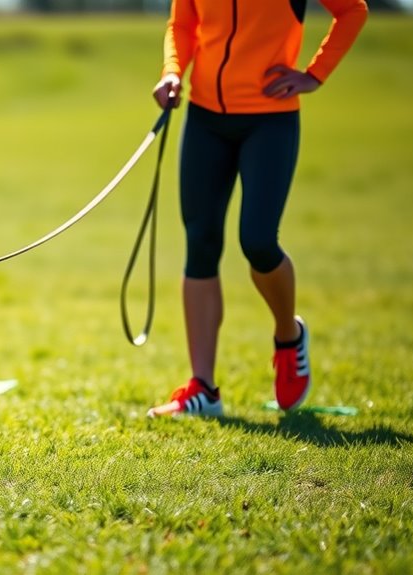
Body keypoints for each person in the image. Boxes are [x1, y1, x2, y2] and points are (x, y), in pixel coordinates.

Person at [146, 0, 368, 417]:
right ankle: (204, 390)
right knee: (201, 242)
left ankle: (289, 336)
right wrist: (172, 72)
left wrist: (315, 74)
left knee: (259, 241)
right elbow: (182, 25)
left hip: (270, 118)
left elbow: (353, 10)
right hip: (205, 117)